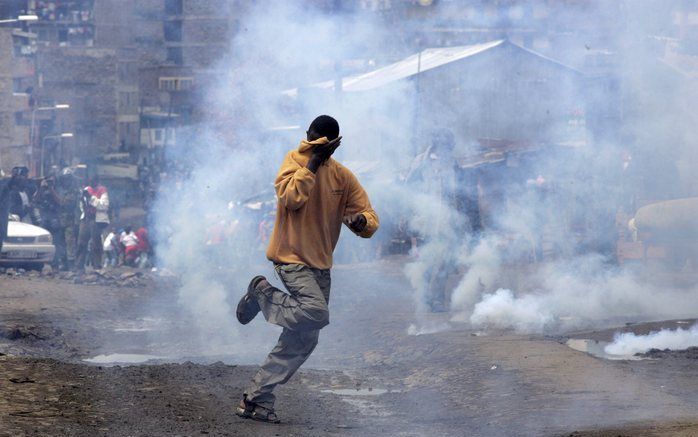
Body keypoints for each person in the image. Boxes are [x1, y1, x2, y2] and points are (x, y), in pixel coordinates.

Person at [235, 115, 379, 423]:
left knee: (303, 338)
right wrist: (312, 164)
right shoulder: (294, 162)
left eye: (320, 144)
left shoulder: (343, 177)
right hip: (290, 258)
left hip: (320, 265)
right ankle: (262, 293)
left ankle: (256, 400)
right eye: (310, 140)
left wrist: (361, 222)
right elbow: (291, 198)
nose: (311, 146)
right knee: (316, 312)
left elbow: (366, 214)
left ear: (334, 145)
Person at [405, 130, 467, 312]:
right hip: (426, 221)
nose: (447, 149)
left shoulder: (453, 164)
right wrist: (410, 216)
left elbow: (460, 194)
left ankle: (439, 298)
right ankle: (425, 297)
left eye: (449, 146)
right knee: (428, 261)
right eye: (444, 145)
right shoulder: (421, 163)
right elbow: (409, 189)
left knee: (445, 261)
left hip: (448, 221)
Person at [75, 175, 110, 271]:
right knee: (81, 243)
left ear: (97, 181)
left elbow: (104, 206)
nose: (91, 183)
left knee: (96, 244)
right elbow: (81, 205)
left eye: (93, 181)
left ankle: (97, 266)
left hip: (96, 219)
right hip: (86, 218)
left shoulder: (102, 190)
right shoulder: (87, 189)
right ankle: (79, 266)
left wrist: (91, 198)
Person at [33, 176, 62, 268]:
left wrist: (51, 189)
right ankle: (41, 263)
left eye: (51, 181)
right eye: (48, 181)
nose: (49, 183)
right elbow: (35, 199)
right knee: (42, 241)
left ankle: (55, 264)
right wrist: (41, 188)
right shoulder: (40, 190)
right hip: (44, 218)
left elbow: (60, 201)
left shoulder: (58, 189)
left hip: (55, 218)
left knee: (55, 242)